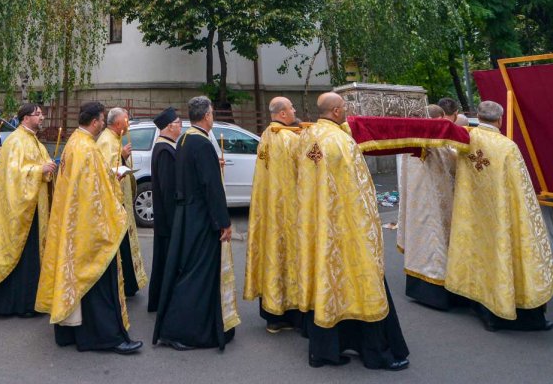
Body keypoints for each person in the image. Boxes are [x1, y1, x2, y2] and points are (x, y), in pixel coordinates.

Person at [297, 92, 409, 370]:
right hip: (346, 231)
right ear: (336, 111)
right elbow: (360, 193)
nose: (346, 111)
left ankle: (323, 351)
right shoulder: (342, 142)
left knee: (327, 287)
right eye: (344, 107)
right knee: (361, 286)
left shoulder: (307, 137)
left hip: (316, 228)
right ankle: (375, 353)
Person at [36, 101, 142, 354]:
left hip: (73, 224)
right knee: (98, 280)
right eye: (102, 119)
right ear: (95, 122)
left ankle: (70, 332)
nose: (103, 123)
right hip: (89, 228)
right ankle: (107, 337)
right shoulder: (87, 149)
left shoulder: (75, 142)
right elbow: (96, 194)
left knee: (77, 279)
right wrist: (115, 204)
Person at [444, 101, 553, 331]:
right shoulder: (507, 147)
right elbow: (521, 190)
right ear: (500, 119)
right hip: (502, 215)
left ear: (478, 116)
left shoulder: (466, 139)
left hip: (474, 212)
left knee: (481, 256)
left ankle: (482, 307)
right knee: (502, 254)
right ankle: (508, 310)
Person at [153, 96, 240, 351]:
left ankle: (186, 326)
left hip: (187, 215)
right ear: (207, 116)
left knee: (191, 269)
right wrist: (223, 222)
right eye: (212, 112)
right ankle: (182, 331)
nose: (213, 116)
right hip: (201, 218)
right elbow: (211, 187)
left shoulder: (185, 139)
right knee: (198, 273)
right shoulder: (201, 143)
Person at [0, 102, 55, 316]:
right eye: (38, 114)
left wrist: (49, 169)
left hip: (34, 207)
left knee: (32, 257)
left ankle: (30, 300)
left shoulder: (33, 140)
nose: (42, 117)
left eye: (42, 114)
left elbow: (42, 166)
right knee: (23, 256)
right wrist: (39, 169)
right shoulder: (15, 141)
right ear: (25, 117)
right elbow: (13, 174)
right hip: (20, 209)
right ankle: (16, 303)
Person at [243, 96, 305, 331]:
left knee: (272, 256)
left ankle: (273, 318)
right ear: (281, 114)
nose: (295, 109)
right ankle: (291, 315)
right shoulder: (289, 139)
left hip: (269, 212)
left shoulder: (267, 135)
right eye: (291, 107)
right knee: (289, 258)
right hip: (289, 212)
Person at [397, 102, 459, 309]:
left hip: (416, 203)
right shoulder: (437, 141)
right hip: (434, 203)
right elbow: (453, 164)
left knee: (420, 243)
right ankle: (438, 293)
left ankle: (420, 290)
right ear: (440, 120)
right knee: (436, 243)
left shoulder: (410, 139)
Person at [96, 106, 148, 297]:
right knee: (120, 244)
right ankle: (123, 284)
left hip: (121, 200)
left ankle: (128, 283)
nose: (128, 123)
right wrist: (122, 157)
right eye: (126, 120)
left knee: (126, 243)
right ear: (118, 123)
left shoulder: (114, 138)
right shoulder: (106, 141)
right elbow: (105, 171)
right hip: (114, 202)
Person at [147, 106, 181, 312]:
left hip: (164, 218)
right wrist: (174, 220)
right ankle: (163, 302)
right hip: (168, 219)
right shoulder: (165, 150)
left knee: (163, 260)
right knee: (166, 260)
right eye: (178, 124)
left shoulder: (166, 147)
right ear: (169, 127)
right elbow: (168, 190)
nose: (181, 127)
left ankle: (159, 300)